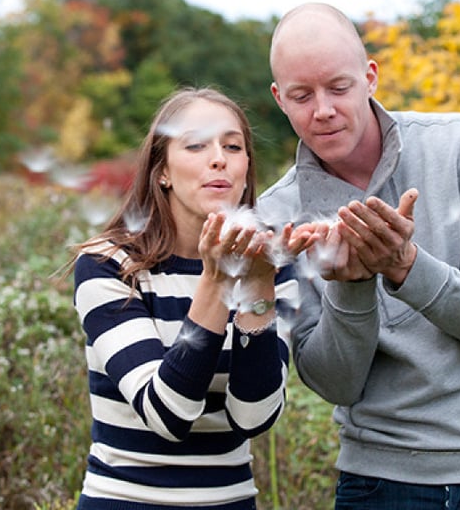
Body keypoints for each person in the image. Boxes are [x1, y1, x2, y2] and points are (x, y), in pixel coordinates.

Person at [259, 3, 460, 509]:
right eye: (301, 95)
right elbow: (336, 384)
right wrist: (351, 286)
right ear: (279, 99)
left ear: (370, 77)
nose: (323, 110)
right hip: (377, 480)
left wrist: (406, 267)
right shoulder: (279, 214)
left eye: (339, 87)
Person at [71, 87, 311, 509]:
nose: (218, 158)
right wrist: (217, 282)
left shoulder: (269, 267)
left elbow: (254, 417)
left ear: (246, 167)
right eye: (196, 145)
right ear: (162, 170)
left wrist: (256, 288)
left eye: (232, 146)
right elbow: (168, 414)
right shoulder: (109, 266)